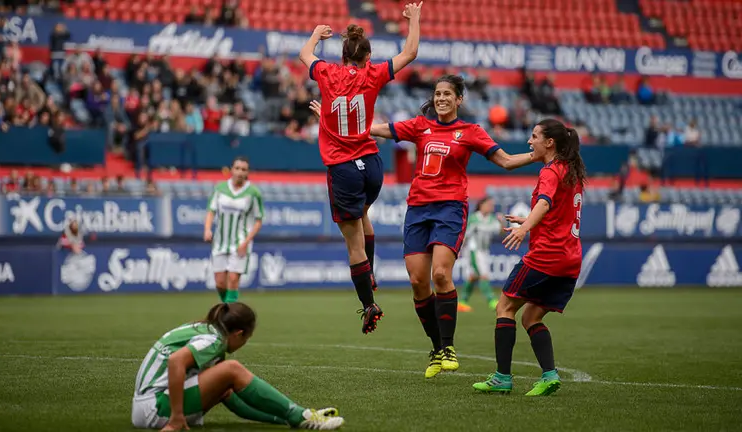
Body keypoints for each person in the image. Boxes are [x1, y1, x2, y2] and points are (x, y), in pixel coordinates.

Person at [311, 74, 540, 378]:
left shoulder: (470, 131)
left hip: (450, 208)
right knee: (418, 281)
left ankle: (449, 346)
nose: (441, 98)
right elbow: (370, 130)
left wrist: (539, 155)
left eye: (448, 94)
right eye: (437, 94)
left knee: (441, 274)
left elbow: (507, 161)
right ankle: (436, 349)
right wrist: (331, 119)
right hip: (418, 209)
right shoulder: (420, 125)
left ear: (459, 99)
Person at [298, 2, 423, 334]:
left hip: (344, 168)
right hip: (372, 165)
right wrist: (414, 19)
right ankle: (371, 274)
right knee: (363, 214)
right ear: (367, 58)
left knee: (352, 242)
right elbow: (410, 52)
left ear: (342, 58)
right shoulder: (375, 73)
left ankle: (368, 303)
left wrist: (314, 35)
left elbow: (304, 55)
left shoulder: (327, 72)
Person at [472, 118, 586, 396]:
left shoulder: (550, 171)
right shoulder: (571, 171)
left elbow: (545, 203)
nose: (529, 141)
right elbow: (558, 212)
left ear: (550, 143)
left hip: (546, 256)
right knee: (531, 318)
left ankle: (501, 377)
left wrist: (524, 228)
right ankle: (549, 375)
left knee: (505, 308)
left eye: (534, 136)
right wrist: (529, 220)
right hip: (570, 260)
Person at [131, 302, 345, 430]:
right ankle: (300, 415)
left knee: (227, 381)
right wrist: (177, 417)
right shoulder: (213, 340)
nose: (244, 344)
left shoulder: (206, 331)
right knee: (232, 369)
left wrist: (286, 419)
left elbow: (234, 400)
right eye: (246, 338)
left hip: (148, 407)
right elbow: (175, 361)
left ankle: (298, 417)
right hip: (154, 407)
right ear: (239, 334)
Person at [204, 157, 264, 304]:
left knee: (232, 279)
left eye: (243, 169)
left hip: (240, 242)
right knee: (219, 283)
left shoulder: (253, 192)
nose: (240, 172)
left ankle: (229, 316)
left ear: (247, 172)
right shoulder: (220, 188)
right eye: (237, 168)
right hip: (220, 241)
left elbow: (258, 220)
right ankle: (227, 308)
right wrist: (207, 229)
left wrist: (246, 242)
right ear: (231, 169)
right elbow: (211, 210)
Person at [458, 196, 503, 313]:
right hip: (473, 250)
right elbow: (465, 236)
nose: (491, 207)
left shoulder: (492, 219)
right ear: (481, 205)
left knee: (473, 277)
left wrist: (501, 221)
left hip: (484, 251)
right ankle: (492, 301)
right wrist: (459, 250)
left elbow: (501, 231)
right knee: (483, 275)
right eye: (489, 204)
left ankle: (462, 302)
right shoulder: (474, 219)